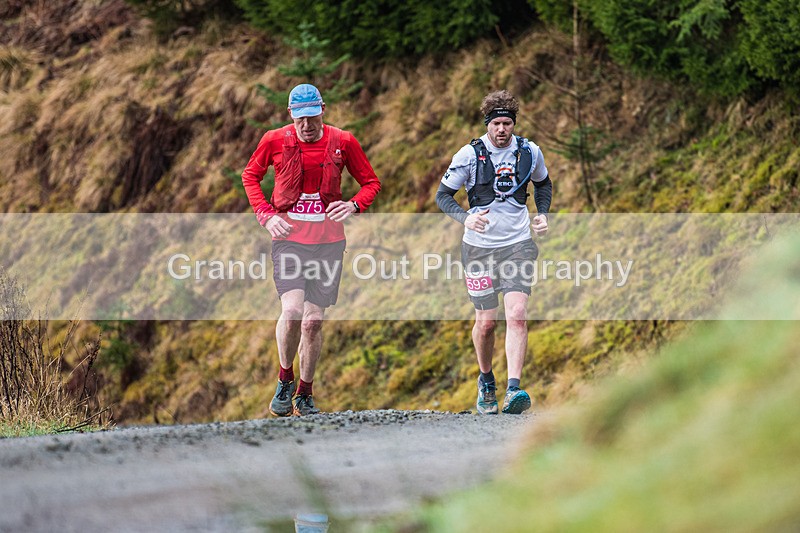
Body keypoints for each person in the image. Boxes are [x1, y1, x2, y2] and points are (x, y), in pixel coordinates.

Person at [242, 83, 381, 416]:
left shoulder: (343, 141)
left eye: (313, 117)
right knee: (291, 313)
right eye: (301, 118)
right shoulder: (274, 140)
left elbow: (371, 183)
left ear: (323, 110)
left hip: (328, 244)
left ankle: (305, 392)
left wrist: (353, 205)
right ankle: (284, 379)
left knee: (313, 322)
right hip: (288, 239)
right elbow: (251, 175)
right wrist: (266, 215)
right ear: (291, 114)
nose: (307, 125)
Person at [435, 90, 552, 415]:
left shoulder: (529, 151)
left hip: (518, 245)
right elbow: (443, 196)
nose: (502, 130)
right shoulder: (469, 155)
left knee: (516, 313)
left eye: (507, 123)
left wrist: (542, 213)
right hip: (479, 250)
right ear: (487, 124)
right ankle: (487, 380)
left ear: (514, 124)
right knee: (486, 323)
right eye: (497, 124)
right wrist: (466, 218)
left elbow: (543, 184)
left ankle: (513, 389)